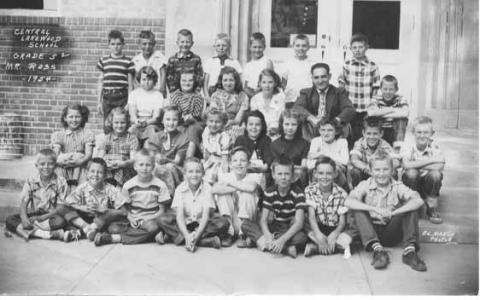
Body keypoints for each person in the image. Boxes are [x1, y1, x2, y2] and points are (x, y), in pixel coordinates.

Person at [344, 152, 427, 272]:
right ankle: (378, 251)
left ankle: (410, 252)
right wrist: (374, 209)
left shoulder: (398, 186)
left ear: (392, 171)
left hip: (391, 231)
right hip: (370, 231)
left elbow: (418, 201)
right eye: (377, 170)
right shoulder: (365, 185)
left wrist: (394, 212)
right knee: (358, 208)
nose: (381, 174)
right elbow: (348, 202)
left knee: (410, 205)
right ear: (371, 171)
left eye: (385, 169)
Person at [93, 149, 171, 246]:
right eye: (141, 165)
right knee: (113, 229)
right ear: (135, 166)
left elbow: (162, 211)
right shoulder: (128, 185)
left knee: (153, 228)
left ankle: (114, 238)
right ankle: (153, 236)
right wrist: (130, 218)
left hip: (150, 219)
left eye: (148, 165)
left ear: (153, 167)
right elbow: (126, 208)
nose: (144, 168)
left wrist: (146, 219)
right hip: (133, 219)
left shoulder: (160, 185)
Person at [156, 158, 230, 252]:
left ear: (203, 174)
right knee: (162, 219)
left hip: (202, 223)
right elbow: (179, 216)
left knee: (223, 223)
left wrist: (196, 235)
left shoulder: (207, 188)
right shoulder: (180, 189)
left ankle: (179, 238)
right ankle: (202, 241)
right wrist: (187, 236)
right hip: (185, 222)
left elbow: (205, 217)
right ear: (185, 174)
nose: (194, 175)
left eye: (198, 171)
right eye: (190, 172)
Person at [241, 157, 308, 258]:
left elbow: (299, 223)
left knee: (302, 237)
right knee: (245, 224)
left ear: (293, 176)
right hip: (273, 226)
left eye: (287, 174)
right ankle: (285, 248)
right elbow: (263, 220)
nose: (283, 177)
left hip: (288, 228)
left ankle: (260, 241)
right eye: (279, 174)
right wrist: (268, 235)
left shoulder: (298, 193)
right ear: (273, 175)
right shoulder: (269, 192)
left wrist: (282, 240)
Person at [56, 158, 128, 242]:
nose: (95, 175)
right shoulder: (82, 187)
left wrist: (105, 209)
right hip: (85, 219)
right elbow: (68, 202)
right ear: (87, 173)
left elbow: (124, 212)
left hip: (103, 219)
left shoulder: (110, 189)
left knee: (115, 228)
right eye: (92, 171)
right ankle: (88, 229)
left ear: (105, 175)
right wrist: (81, 207)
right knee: (61, 207)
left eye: (100, 172)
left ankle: (81, 232)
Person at [5, 149, 69, 242]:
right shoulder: (31, 180)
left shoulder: (61, 182)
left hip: (51, 216)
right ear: (36, 166)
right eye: (42, 164)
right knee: (10, 219)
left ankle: (27, 231)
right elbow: (24, 203)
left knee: (61, 221)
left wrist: (41, 218)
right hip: (35, 215)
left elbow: (60, 208)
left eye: (50, 164)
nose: (46, 167)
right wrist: (24, 218)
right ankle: (46, 234)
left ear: (55, 166)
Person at [212, 146, 262, 247]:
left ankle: (244, 235)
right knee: (223, 195)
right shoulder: (226, 176)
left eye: (243, 160)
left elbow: (251, 188)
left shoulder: (254, 176)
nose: (239, 164)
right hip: (232, 218)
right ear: (230, 164)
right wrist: (240, 186)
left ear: (248, 164)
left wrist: (229, 184)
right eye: (235, 160)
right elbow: (214, 189)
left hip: (248, 220)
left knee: (246, 194)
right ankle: (229, 233)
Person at [338, 33, 381, 149]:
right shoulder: (347, 65)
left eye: (360, 47)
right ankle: (351, 153)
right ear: (351, 49)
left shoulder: (372, 66)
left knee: (365, 130)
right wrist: (343, 104)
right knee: (350, 132)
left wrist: (373, 104)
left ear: (366, 47)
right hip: (351, 106)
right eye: (354, 48)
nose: (357, 50)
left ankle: (364, 151)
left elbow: (376, 87)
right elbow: (342, 85)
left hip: (366, 106)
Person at [303, 157, 352, 257]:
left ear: (335, 174)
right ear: (315, 174)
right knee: (301, 221)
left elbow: (342, 222)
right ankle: (329, 245)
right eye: (321, 173)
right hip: (317, 226)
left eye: (329, 173)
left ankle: (317, 247)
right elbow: (311, 217)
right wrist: (318, 234)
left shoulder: (342, 193)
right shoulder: (309, 190)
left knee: (351, 231)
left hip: (335, 227)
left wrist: (335, 233)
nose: (324, 177)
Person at [294, 62, 355, 141]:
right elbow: (297, 107)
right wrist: (312, 118)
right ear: (312, 78)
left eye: (323, 77)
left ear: (329, 76)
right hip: (313, 130)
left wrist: (335, 121)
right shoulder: (306, 93)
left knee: (346, 126)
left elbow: (349, 109)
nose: (320, 81)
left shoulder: (339, 92)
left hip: (334, 131)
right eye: (316, 77)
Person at [401, 116, 445, 224]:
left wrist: (414, 164)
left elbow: (439, 166)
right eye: (419, 132)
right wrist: (431, 160)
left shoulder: (435, 146)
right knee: (411, 173)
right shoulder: (408, 145)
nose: (422, 135)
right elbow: (406, 164)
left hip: (427, 184)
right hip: (411, 183)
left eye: (426, 132)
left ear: (431, 133)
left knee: (435, 175)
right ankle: (412, 205)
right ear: (413, 133)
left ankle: (431, 207)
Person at [145, 105, 192, 196]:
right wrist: (158, 157)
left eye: (174, 120)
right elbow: (155, 155)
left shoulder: (183, 138)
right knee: (154, 166)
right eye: (168, 119)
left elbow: (177, 161)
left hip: (175, 168)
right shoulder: (157, 136)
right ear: (162, 121)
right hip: (158, 166)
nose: (171, 123)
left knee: (169, 167)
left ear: (179, 121)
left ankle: (170, 194)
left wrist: (166, 160)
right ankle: (155, 194)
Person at [97, 30, 135, 133]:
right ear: (109, 45)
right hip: (108, 98)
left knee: (122, 123)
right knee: (108, 125)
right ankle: (108, 147)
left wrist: (129, 102)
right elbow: (100, 82)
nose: (116, 47)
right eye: (113, 44)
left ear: (123, 45)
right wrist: (99, 102)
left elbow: (131, 85)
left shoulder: (128, 61)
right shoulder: (104, 60)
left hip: (122, 97)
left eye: (118, 44)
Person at [51, 103, 94, 188]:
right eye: (71, 117)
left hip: (81, 164)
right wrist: (60, 162)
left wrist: (79, 162)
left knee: (80, 157)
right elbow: (55, 153)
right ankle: (62, 190)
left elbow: (89, 154)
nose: (74, 120)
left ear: (82, 118)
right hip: (66, 164)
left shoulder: (87, 134)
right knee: (58, 163)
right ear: (65, 118)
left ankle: (78, 189)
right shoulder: (59, 134)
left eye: (77, 117)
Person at [349, 117, 399, 188]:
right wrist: (366, 168)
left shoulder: (384, 144)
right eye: (368, 133)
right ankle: (358, 194)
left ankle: (388, 193)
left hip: (379, 173)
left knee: (393, 172)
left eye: (375, 134)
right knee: (355, 171)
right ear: (363, 133)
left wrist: (381, 170)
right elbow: (354, 160)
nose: (371, 137)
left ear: (381, 134)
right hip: (365, 172)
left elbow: (396, 162)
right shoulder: (359, 143)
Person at [96, 107, 139, 187]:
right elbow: (100, 158)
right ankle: (108, 188)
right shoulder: (106, 138)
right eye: (116, 122)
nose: (119, 125)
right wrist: (107, 163)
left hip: (125, 171)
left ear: (127, 123)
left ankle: (119, 190)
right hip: (109, 170)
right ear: (111, 123)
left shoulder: (132, 138)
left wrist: (122, 163)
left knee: (122, 160)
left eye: (122, 122)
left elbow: (134, 160)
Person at [233, 110, 274, 189]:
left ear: (262, 126)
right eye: (251, 124)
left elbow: (267, 163)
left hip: (261, 173)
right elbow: (237, 159)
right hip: (243, 172)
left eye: (257, 125)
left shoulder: (266, 140)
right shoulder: (240, 139)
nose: (254, 127)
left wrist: (260, 168)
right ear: (245, 126)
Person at [270, 109, 310, 188]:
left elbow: (303, 167)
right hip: (281, 176)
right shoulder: (275, 144)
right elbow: (274, 166)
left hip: (297, 177)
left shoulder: (305, 144)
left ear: (298, 125)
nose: (290, 128)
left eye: (293, 124)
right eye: (287, 124)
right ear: (282, 125)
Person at [169, 71, 204, 157]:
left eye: (190, 80)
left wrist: (191, 119)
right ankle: (177, 157)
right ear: (179, 82)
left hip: (195, 122)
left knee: (192, 129)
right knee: (179, 129)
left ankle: (189, 158)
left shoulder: (198, 97)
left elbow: (197, 116)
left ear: (194, 82)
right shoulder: (174, 96)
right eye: (184, 80)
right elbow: (173, 113)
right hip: (179, 122)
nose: (187, 83)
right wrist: (182, 119)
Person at [307, 119, 349, 191]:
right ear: (319, 131)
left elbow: (345, 161)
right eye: (323, 130)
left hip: (338, 175)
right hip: (319, 175)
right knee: (318, 170)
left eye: (330, 130)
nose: (326, 133)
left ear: (336, 131)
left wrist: (323, 154)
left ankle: (337, 194)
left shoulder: (342, 142)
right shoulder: (316, 141)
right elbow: (309, 164)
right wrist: (334, 162)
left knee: (336, 170)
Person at [367, 75, 409, 147]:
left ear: (396, 89)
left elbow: (405, 113)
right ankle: (376, 147)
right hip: (380, 129)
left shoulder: (400, 98)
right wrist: (392, 109)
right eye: (385, 89)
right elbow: (371, 113)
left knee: (402, 120)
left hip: (395, 130)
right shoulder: (376, 98)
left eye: (391, 89)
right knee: (371, 119)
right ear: (381, 89)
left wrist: (380, 113)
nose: (387, 92)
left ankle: (398, 148)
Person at [128, 66, 166, 144]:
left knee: (151, 136)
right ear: (139, 80)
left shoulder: (158, 95)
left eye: (150, 79)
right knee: (132, 135)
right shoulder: (134, 94)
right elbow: (132, 114)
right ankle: (134, 153)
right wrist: (136, 121)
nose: (147, 82)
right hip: (137, 122)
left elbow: (156, 117)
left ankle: (150, 148)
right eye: (144, 79)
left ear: (154, 80)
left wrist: (145, 123)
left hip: (151, 123)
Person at [209, 66, 249, 141]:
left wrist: (232, 122)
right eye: (225, 80)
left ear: (236, 81)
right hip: (217, 125)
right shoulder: (215, 95)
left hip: (234, 126)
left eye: (231, 80)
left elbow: (238, 120)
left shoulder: (243, 97)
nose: (228, 83)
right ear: (221, 81)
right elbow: (213, 114)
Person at [203, 33, 242, 97]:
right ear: (214, 46)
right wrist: (207, 97)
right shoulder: (209, 62)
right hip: (212, 94)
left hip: (230, 93)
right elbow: (205, 84)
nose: (221, 48)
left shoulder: (234, 62)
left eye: (224, 45)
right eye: (218, 45)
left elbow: (239, 81)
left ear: (229, 46)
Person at [250, 69, 285, 138]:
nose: (267, 85)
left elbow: (282, 121)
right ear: (260, 83)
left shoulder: (280, 98)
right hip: (259, 134)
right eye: (264, 82)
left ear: (275, 83)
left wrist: (276, 129)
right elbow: (254, 120)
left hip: (276, 135)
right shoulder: (255, 99)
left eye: (270, 82)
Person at [166, 29, 204, 93]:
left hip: (192, 94)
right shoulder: (172, 60)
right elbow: (169, 78)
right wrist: (174, 93)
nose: (185, 44)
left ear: (192, 43)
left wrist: (196, 91)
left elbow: (199, 77)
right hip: (177, 95)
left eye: (188, 42)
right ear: (177, 43)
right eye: (182, 42)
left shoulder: (196, 59)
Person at [132, 30, 167, 97]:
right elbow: (136, 79)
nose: (147, 46)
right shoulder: (136, 60)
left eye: (150, 44)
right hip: (142, 92)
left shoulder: (159, 57)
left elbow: (163, 74)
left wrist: (162, 89)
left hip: (156, 91)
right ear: (139, 45)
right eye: (144, 44)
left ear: (154, 44)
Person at [281, 34, 315, 103]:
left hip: (308, 99)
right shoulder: (287, 63)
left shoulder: (313, 64)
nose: (300, 48)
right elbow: (283, 83)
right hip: (290, 99)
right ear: (293, 46)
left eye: (304, 46)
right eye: (297, 45)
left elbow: (315, 83)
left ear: (308, 47)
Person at [201, 108, 230, 185]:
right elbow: (206, 151)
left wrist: (225, 176)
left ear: (223, 123)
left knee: (217, 179)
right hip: (209, 161)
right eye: (211, 121)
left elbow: (225, 160)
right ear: (206, 122)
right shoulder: (206, 131)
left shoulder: (224, 137)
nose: (213, 124)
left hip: (221, 163)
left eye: (217, 122)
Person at [243, 32, 274, 98]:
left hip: (263, 94)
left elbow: (270, 81)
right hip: (250, 95)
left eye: (260, 47)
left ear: (264, 47)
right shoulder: (248, 65)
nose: (257, 50)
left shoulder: (267, 62)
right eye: (254, 47)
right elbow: (245, 85)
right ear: (250, 47)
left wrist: (258, 90)